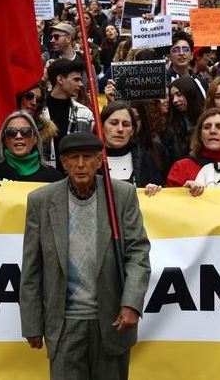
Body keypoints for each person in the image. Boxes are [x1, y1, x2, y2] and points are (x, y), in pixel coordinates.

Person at [20, 131, 151, 379]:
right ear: (64, 162)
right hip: (64, 325)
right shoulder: (41, 201)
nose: (81, 164)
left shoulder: (121, 196)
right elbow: (31, 267)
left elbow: (138, 253)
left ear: (100, 161)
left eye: (88, 157)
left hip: (112, 322)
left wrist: (131, 303)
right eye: (74, 158)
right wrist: (32, 323)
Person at [157, 109, 220, 204]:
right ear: (200, 135)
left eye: (219, 127)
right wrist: (182, 192)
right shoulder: (181, 168)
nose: (212, 131)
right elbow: (168, 205)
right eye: (207, 127)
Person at [100, 100, 168, 187]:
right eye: (114, 123)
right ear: (101, 126)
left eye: (126, 125)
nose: (120, 129)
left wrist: (155, 190)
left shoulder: (146, 160)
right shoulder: (90, 159)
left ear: (132, 131)